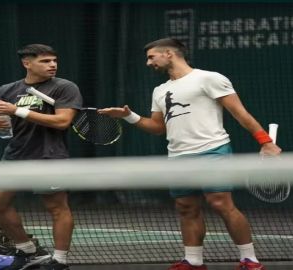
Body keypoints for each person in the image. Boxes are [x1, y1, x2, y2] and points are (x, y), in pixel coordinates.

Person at [98, 37, 281, 270]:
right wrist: (128, 116)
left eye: (151, 57)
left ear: (169, 54)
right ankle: (193, 261)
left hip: (212, 150)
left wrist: (265, 142)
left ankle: (250, 260)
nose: (148, 63)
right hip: (178, 156)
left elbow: (239, 113)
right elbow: (157, 127)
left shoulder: (209, 78)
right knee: (186, 207)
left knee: (221, 203)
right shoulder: (160, 90)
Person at [0, 44, 83, 270]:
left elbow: (63, 121)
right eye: (45, 61)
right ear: (27, 63)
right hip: (15, 156)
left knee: (57, 207)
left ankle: (59, 261)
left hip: (49, 157)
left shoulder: (64, 87)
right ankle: (27, 250)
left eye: (54, 60)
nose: (52, 65)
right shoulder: (7, 90)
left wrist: (17, 111)